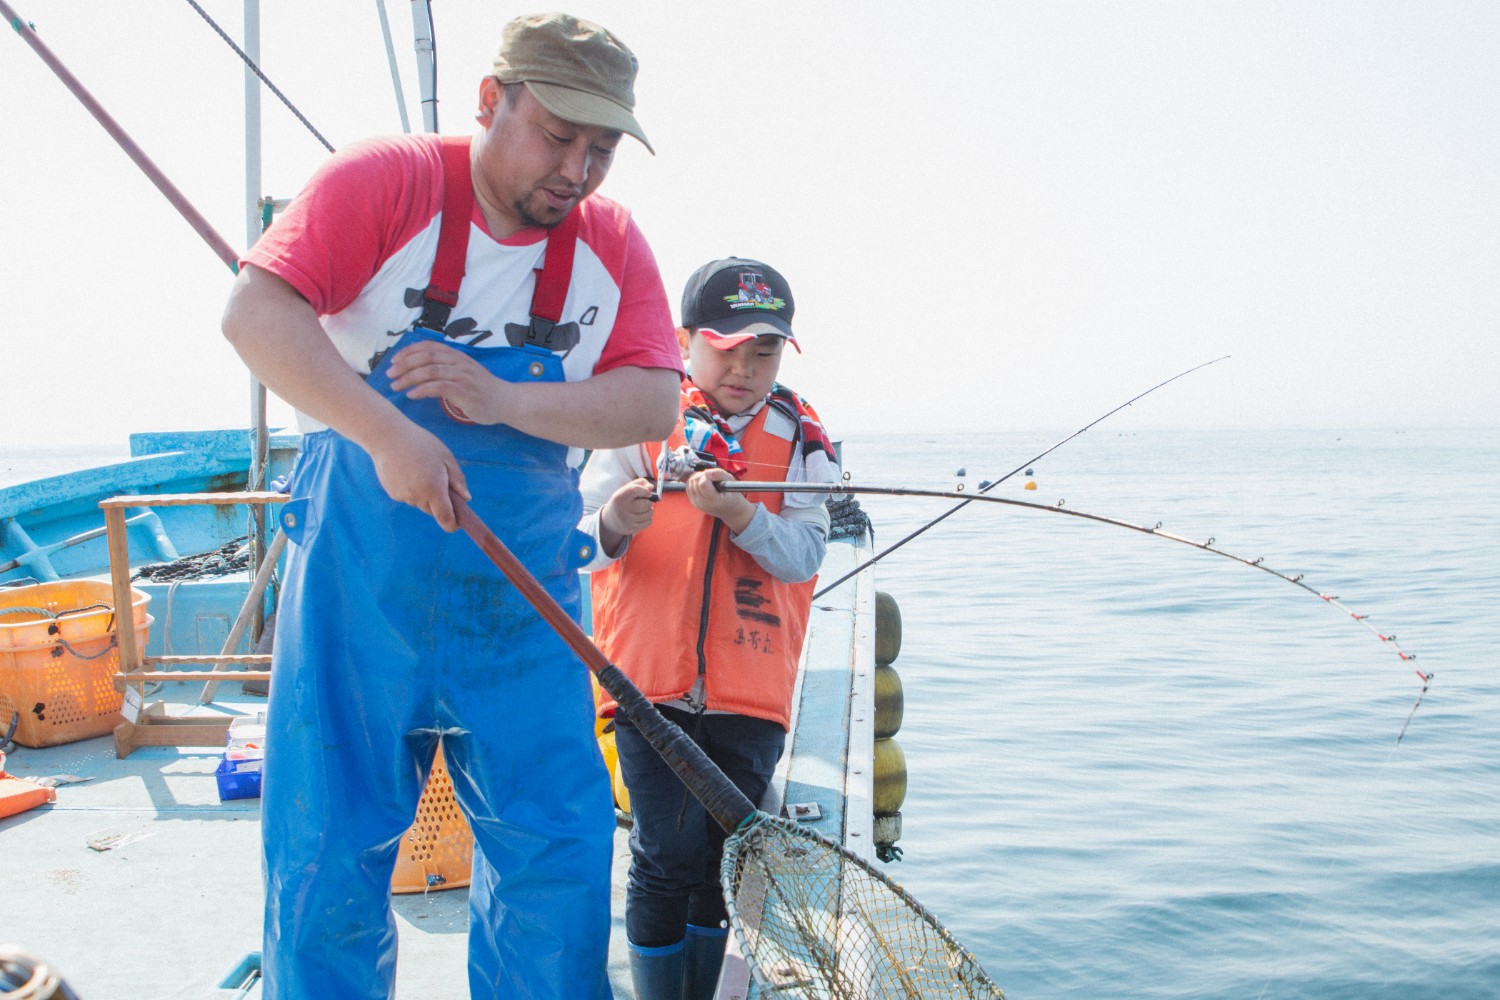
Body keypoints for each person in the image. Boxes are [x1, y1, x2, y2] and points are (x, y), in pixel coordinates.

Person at [220, 13, 683, 999]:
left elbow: (652, 396)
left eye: (600, 149)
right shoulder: (382, 182)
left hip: (521, 602)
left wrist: (503, 399)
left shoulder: (609, 244)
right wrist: (388, 432)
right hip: (358, 582)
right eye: (558, 135)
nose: (579, 169)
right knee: (327, 849)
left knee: (554, 848)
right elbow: (257, 313)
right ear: (490, 102)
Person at [579, 258, 840, 999]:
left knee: (725, 858)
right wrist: (616, 521)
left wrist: (742, 516)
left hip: (750, 691)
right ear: (685, 339)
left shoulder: (801, 439)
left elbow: (805, 555)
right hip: (646, 688)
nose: (746, 368)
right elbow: (579, 542)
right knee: (663, 855)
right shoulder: (643, 422)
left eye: (765, 352)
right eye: (728, 348)